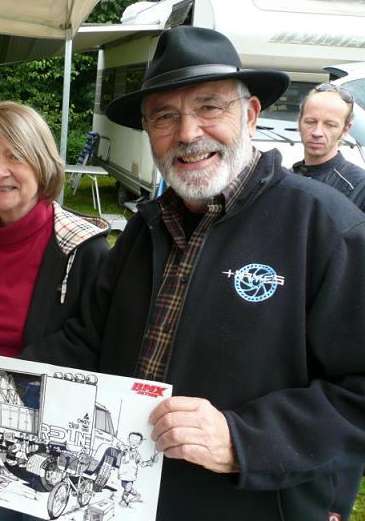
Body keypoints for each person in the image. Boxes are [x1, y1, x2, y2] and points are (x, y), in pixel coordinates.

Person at [22, 26, 365, 520]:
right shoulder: (145, 227)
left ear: (249, 114)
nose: (187, 133)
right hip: (129, 500)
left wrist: (241, 439)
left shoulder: (327, 230)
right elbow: (88, 339)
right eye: (164, 116)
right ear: (148, 131)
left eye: (209, 106)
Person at [0, 101, 110, 520]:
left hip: (51, 431)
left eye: (15, 155)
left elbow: (94, 341)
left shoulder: (86, 250)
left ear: (42, 164)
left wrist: (6, 381)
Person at [292, 82, 365, 211]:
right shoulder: (285, 178)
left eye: (330, 125)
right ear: (299, 122)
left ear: (345, 129)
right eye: (310, 122)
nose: (317, 132)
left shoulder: (359, 187)